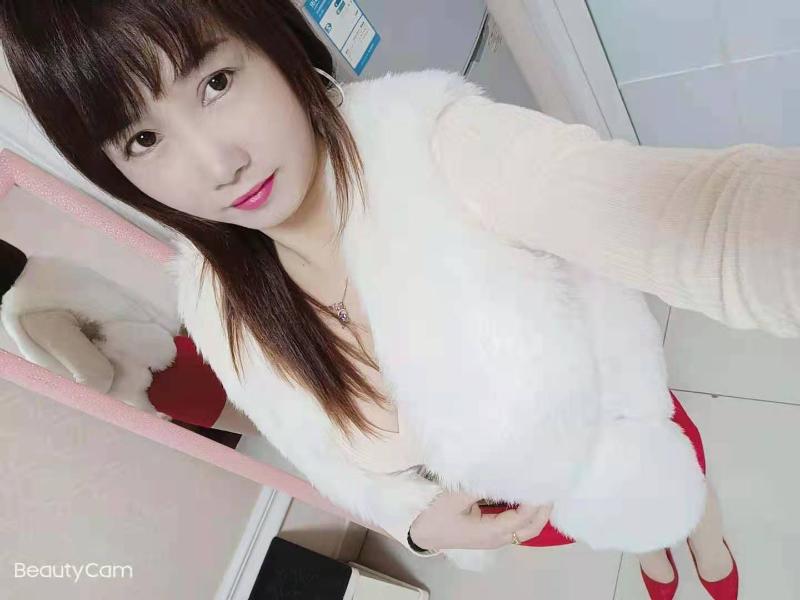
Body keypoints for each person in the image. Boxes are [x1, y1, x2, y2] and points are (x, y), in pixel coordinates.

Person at [9, 2, 799, 598]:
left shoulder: (441, 143)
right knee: (626, 527)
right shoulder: (219, 305)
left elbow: (697, 221)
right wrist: (415, 524)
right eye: (143, 139)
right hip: (527, 514)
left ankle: (696, 534)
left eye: (215, 83)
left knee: (675, 497)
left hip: (627, 434)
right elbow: (319, 453)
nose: (219, 164)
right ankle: (649, 540)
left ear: (273, 39)